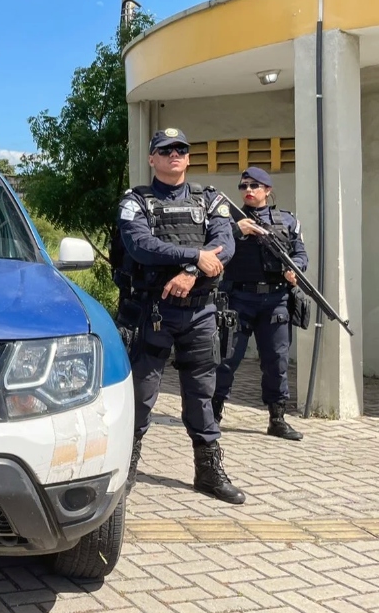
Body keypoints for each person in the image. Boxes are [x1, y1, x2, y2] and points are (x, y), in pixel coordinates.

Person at [115, 128, 244, 504]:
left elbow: (226, 245)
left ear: (188, 158)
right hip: (150, 312)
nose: (174, 154)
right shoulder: (136, 200)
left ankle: (208, 472)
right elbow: (140, 245)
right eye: (165, 149)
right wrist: (192, 256)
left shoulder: (211, 200)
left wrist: (191, 273)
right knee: (140, 394)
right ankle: (126, 469)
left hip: (201, 312)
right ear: (152, 158)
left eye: (181, 149)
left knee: (202, 394)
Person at [213, 167, 308, 440]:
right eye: (244, 186)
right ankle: (214, 413)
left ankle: (277, 419)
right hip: (238, 299)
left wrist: (295, 269)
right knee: (227, 358)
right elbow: (213, 247)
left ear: (267, 189)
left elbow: (301, 255)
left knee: (276, 360)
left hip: (276, 300)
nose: (248, 191)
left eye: (255, 186)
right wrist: (235, 230)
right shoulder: (227, 219)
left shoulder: (288, 221)